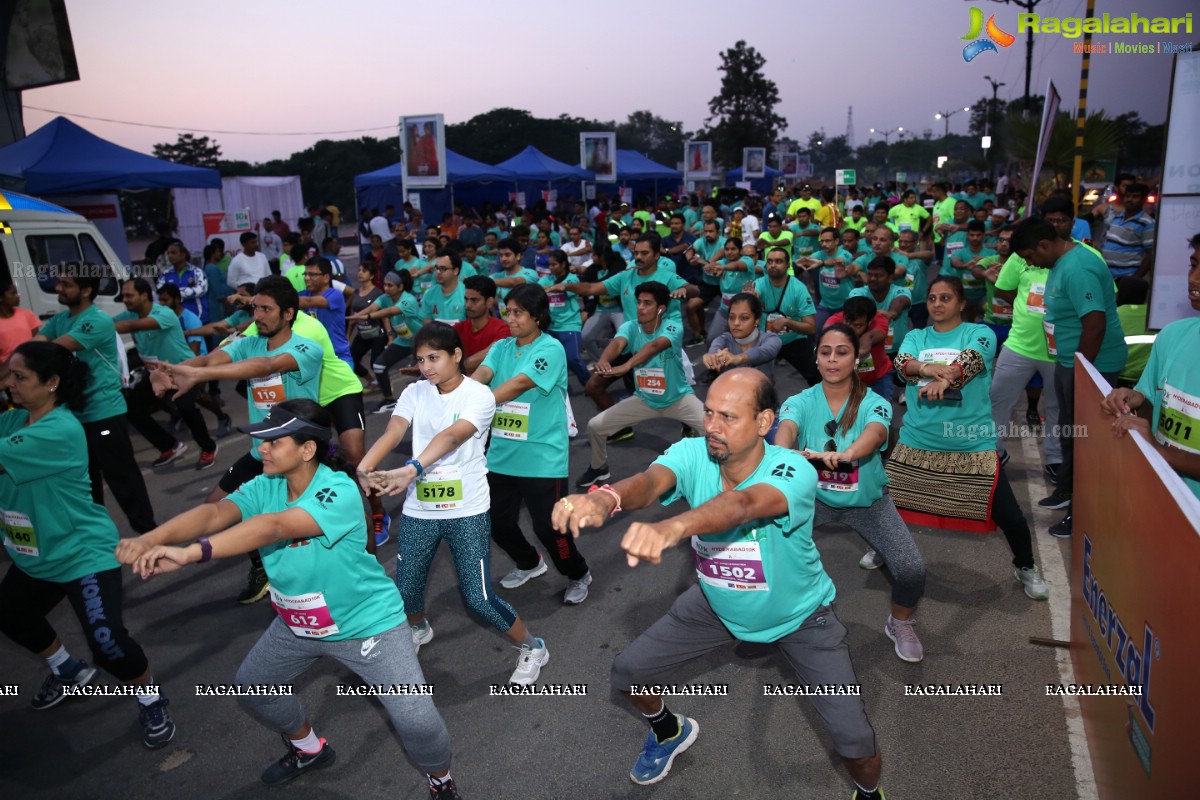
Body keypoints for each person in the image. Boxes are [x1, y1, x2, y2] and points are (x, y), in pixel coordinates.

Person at [550, 368, 885, 797]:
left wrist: (675, 528)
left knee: (855, 742)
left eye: (728, 416)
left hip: (802, 618)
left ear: (764, 423)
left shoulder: (792, 469)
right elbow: (650, 482)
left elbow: (744, 504)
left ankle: (869, 794)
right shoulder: (693, 452)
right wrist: (604, 498)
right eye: (708, 412)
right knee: (629, 674)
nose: (712, 426)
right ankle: (669, 731)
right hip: (715, 604)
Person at [117, 400, 462, 798]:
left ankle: (441, 779)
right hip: (298, 624)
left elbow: (275, 526)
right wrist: (150, 539)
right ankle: (308, 748)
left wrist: (191, 554)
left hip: (368, 624)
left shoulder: (337, 489)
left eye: (272, 441)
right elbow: (213, 515)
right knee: (254, 686)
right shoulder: (265, 486)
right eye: (261, 441)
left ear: (307, 449)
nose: (261, 448)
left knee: (416, 718)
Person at [0, 341, 175, 747]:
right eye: (9, 375)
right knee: (10, 614)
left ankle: (150, 694)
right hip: (35, 557)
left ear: (52, 383)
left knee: (108, 643)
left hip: (82, 556)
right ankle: (67, 670)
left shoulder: (59, 429)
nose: (10, 384)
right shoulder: (15, 422)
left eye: (20, 376)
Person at [357, 324, 550, 684]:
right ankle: (419, 629)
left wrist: (411, 469)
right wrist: (366, 464)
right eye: (420, 359)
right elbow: (394, 431)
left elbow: (451, 436)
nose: (426, 366)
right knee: (407, 589)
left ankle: (533, 646)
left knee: (478, 598)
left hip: (467, 510)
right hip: (420, 509)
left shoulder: (480, 396)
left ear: (456, 355)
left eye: (434, 357)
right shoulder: (415, 392)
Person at [149, 276, 324, 604]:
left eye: (266, 309)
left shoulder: (306, 348)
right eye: (255, 307)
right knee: (213, 507)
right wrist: (174, 372)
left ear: (288, 313)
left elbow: (268, 365)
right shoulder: (249, 340)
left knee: (300, 528)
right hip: (263, 453)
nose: (257, 315)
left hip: (302, 458)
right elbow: (209, 359)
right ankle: (261, 565)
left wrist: (200, 376)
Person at [887, 276, 1049, 600]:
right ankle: (885, 550)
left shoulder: (980, 333)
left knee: (1011, 517)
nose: (936, 304)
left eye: (945, 298)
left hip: (970, 442)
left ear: (961, 303)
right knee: (885, 508)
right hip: (919, 440)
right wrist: (928, 369)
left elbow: (971, 361)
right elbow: (903, 364)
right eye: (932, 298)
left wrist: (944, 376)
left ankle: (1026, 566)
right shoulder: (917, 335)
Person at [776, 325, 927, 662]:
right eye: (825, 351)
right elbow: (786, 429)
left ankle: (899, 623)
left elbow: (875, 434)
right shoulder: (799, 401)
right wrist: (783, 453)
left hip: (867, 503)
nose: (833, 359)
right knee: (771, 553)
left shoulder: (875, 402)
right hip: (813, 501)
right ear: (815, 357)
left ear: (856, 359)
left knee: (912, 569)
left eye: (842, 352)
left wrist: (846, 456)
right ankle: (780, 620)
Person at [474, 284, 594, 605]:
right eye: (507, 311)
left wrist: (478, 402)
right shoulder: (501, 347)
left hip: (543, 458)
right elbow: (482, 374)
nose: (510, 318)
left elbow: (519, 383)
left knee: (550, 528)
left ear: (538, 316)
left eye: (518, 313)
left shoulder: (550, 349)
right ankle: (529, 563)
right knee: (496, 522)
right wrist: (462, 394)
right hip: (502, 455)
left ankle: (578, 573)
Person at [1011, 218, 1128, 537]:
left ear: (1044, 246)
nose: (1030, 264)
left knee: (1084, 441)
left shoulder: (1078, 268)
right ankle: (1066, 490)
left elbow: (1094, 323)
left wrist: (1083, 372)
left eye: (1030, 257)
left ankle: (1082, 514)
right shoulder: (1061, 263)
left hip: (1092, 364)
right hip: (1069, 360)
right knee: (1068, 432)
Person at [36, 272, 157, 533]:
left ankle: (149, 534)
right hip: (75, 416)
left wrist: (26, 357)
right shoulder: (61, 319)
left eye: (66, 284)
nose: (59, 287)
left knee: (121, 477)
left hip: (104, 414)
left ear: (86, 290)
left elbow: (54, 348)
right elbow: (36, 344)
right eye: (59, 282)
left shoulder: (97, 320)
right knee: (86, 482)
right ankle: (98, 537)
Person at [578, 282, 706, 488]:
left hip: (679, 399)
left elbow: (655, 345)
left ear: (661, 309)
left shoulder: (673, 326)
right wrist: (604, 359)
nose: (640, 307)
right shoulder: (630, 326)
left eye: (647, 303)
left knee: (715, 431)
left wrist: (627, 365)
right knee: (595, 426)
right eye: (638, 302)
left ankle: (714, 471)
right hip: (644, 400)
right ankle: (599, 468)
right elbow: (617, 343)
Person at [1103, 232, 1200, 501]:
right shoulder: (1172, 335)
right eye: (1193, 264)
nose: (1193, 278)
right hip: (1160, 497)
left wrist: (1160, 451)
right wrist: (1132, 398)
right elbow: (1151, 404)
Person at [114, 278, 218, 469]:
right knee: (133, 409)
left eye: (130, 295)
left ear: (145, 295)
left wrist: (99, 327)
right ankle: (170, 446)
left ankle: (208, 447)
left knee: (187, 409)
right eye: (124, 296)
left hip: (181, 369)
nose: (125, 300)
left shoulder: (164, 313)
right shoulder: (128, 315)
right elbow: (115, 323)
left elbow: (129, 326)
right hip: (155, 374)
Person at [986, 227, 1061, 476]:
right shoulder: (1020, 256)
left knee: (1057, 406)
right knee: (997, 399)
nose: (1029, 261)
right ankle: (994, 453)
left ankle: (1055, 459)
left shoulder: (1084, 256)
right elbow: (1001, 288)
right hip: (1019, 345)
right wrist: (1022, 305)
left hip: (1059, 352)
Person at [349, 270, 422, 415]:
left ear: (400, 287)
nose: (386, 288)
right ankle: (389, 400)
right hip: (403, 340)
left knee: (424, 374)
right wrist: (357, 316)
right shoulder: (384, 297)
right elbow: (371, 307)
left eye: (390, 285)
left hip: (421, 341)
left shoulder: (408, 299)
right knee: (378, 366)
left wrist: (368, 316)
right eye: (385, 285)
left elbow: (389, 312)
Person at [753, 245, 819, 386]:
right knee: (758, 381)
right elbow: (753, 295)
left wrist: (787, 322)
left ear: (787, 264)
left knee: (817, 375)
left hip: (793, 340)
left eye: (778, 261)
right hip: (765, 340)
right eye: (769, 261)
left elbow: (811, 327)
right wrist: (751, 299)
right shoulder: (759, 284)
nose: (773, 265)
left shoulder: (798, 288)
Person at [540, 249, 590, 388]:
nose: (551, 268)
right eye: (549, 265)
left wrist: (550, 289)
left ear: (563, 264)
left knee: (572, 359)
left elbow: (563, 288)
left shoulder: (572, 279)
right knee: (550, 360)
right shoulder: (547, 279)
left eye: (554, 264)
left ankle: (589, 384)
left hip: (569, 325)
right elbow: (538, 288)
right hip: (551, 326)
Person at [701, 293, 782, 379]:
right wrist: (712, 357)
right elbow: (715, 350)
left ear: (756, 320)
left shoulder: (771, 339)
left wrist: (737, 358)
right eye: (731, 317)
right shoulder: (723, 339)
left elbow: (763, 352)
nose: (736, 323)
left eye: (744, 318)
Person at [299, 257, 353, 368]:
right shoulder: (304, 294)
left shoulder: (335, 295)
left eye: (312, 275)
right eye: (305, 274)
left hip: (338, 359)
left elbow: (307, 302)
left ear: (326, 277)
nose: (306, 278)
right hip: (314, 360)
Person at [453, 275, 511, 375]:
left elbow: (491, 353)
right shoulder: (458, 328)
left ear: (489, 302)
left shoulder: (502, 329)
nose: (467, 305)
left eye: (474, 300)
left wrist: (454, 366)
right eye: (466, 299)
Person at [1100, 181, 1156, 280]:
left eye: (1135, 197)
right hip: (1107, 277)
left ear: (1143, 200)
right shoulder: (1117, 217)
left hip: (1127, 278)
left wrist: (1135, 278)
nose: (1130, 199)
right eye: (1127, 196)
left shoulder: (1147, 223)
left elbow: (1150, 255)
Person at [348, 261, 386, 387]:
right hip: (362, 334)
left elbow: (385, 315)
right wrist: (348, 335)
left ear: (371, 275)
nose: (360, 273)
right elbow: (353, 316)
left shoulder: (378, 293)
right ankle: (372, 381)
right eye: (359, 270)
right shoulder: (355, 293)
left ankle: (386, 387)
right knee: (350, 361)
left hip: (377, 335)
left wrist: (390, 336)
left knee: (375, 363)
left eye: (364, 271)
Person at [0, 278, 41, 372]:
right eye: (12, 293)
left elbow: (37, 341)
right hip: (7, 368)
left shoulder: (27, 314)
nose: (18, 296)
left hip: (31, 363)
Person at [421, 249, 467, 326]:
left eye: (443, 269)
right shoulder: (429, 293)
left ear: (455, 271)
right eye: (436, 268)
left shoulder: (466, 293)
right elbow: (426, 323)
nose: (438, 272)